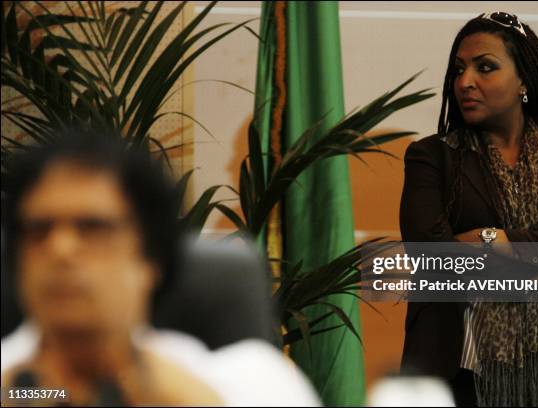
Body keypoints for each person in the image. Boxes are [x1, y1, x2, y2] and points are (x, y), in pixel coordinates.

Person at [1, 130, 320, 406]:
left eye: (93, 228)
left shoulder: (247, 381)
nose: (60, 250)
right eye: (38, 230)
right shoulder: (9, 384)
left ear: (151, 259)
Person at [398, 12, 538, 407]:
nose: (465, 82)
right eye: (459, 69)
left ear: (524, 81)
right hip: (457, 379)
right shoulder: (432, 158)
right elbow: (435, 259)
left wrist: (496, 239)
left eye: (486, 67)